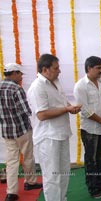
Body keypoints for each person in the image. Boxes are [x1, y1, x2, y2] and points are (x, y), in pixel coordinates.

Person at [27, 54, 81, 201]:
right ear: (45, 69)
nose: (59, 71)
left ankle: (61, 198)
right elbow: (42, 115)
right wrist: (67, 109)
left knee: (64, 172)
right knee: (52, 175)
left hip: (61, 133)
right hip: (47, 137)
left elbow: (62, 104)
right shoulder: (37, 87)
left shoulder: (55, 82)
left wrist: (71, 107)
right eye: (56, 68)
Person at [73, 56, 101, 199]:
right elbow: (84, 110)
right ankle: (92, 188)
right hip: (90, 129)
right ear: (89, 68)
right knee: (91, 160)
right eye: (98, 68)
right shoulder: (80, 86)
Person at [0, 63, 42, 201]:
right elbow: (26, 111)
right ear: (14, 73)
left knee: (11, 162)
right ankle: (30, 182)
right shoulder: (17, 89)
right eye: (19, 74)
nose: (21, 77)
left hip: (7, 131)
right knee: (28, 156)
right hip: (22, 129)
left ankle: (11, 192)